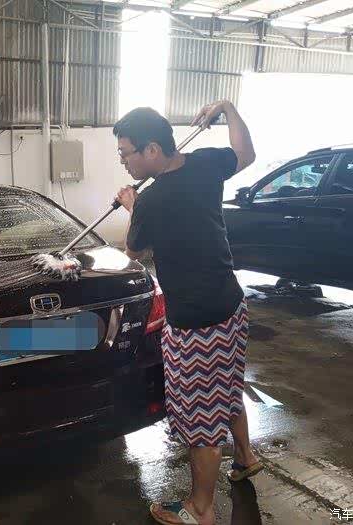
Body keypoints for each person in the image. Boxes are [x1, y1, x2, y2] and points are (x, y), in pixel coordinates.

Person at [114, 100, 260, 525]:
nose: (124, 162)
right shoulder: (205, 163)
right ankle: (246, 457)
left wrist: (132, 206)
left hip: (194, 324)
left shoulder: (152, 200)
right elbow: (246, 153)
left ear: (152, 150)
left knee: (201, 417)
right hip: (230, 306)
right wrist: (229, 109)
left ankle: (200, 509)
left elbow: (134, 250)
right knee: (227, 388)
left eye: (126, 153)